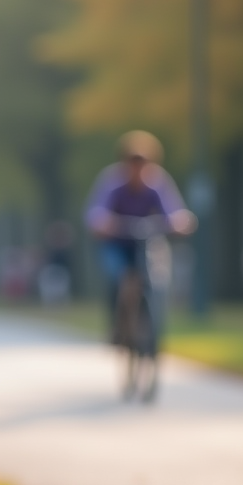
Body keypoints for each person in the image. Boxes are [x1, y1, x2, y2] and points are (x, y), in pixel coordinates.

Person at [84, 131, 196, 342]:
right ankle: (115, 325)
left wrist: (179, 222)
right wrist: (102, 223)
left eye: (144, 162)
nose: (138, 167)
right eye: (133, 161)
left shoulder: (158, 182)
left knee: (157, 277)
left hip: (148, 240)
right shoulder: (112, 181)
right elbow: (96, 211)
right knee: (114, 275)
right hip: (117, 242)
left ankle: (155, 324)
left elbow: (174, 211)